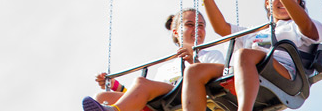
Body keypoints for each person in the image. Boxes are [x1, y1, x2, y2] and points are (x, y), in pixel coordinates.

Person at [181, 0, 322, 111]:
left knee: (243, 54)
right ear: (267, 3)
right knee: (194, 71)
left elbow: (308, 28)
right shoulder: (256, 31)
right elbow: (221, 28)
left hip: (286, 76)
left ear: (298, 1)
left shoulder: (301, 25)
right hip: (248, 69)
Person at [82, 8, 223, 111]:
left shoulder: (212, 55)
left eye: (201, 26)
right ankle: (112, 109)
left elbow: (219, 86)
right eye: (190, 25)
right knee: (102, 97)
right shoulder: (165, 69)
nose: (197, 30)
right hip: (168, 104)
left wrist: (193, 60)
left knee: (141, 83)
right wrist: (116, 86)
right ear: (175, 31)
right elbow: (146, 98)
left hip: (201, 99)